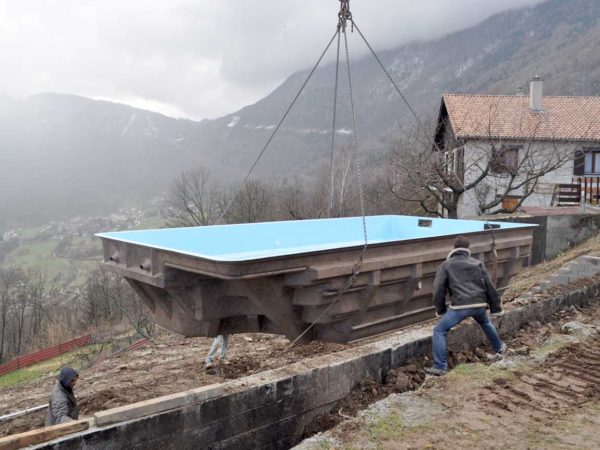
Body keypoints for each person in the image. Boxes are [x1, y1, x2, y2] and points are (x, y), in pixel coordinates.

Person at [425, 236, 506, 376]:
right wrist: (495, 308)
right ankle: (499, 349)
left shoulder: (446, 265)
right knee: (485, 322)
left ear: (454, 248)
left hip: (460, 307)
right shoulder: (477, 263)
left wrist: (441, 310)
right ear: (468, 249)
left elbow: (438, 289)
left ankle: (440, 367)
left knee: (439, 330)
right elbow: (490, 286)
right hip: (480, 305)